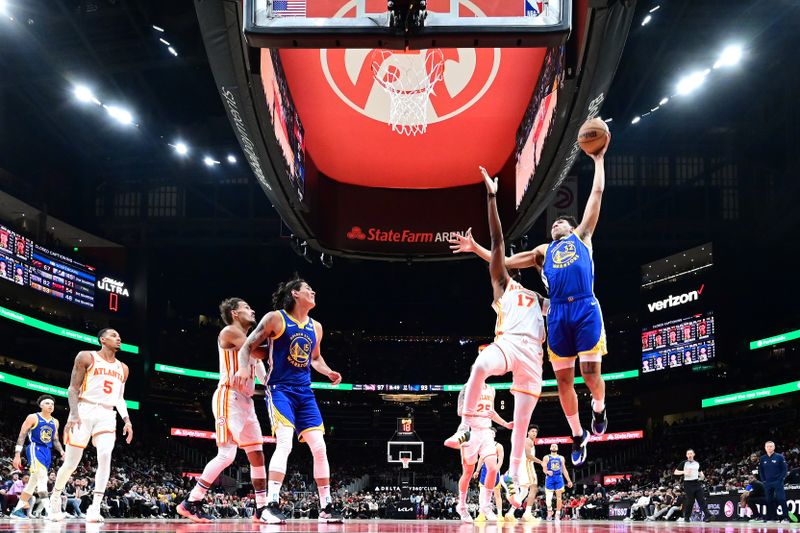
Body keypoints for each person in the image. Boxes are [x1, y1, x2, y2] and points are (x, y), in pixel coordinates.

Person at [450, 140, 610, 467]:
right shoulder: (541, 253)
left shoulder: (582, 236)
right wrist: (475, 247)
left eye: (560, 222)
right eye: (553, 224)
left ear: (570, 225)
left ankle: (598, 407)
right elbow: (504, 260)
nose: (556, 224)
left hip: (585, 307)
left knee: (590, 373)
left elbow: (595, 196)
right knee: (564, 380)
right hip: (559, 313)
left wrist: (598, 160)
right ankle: (578, 435)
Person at [445, 167, 547, 509]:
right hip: (508, 342)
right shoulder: (503, 285)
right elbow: (498, 244)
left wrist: (545, 267)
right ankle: (464, 425)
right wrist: (491, 197)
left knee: (520, 426)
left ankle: (516, 478)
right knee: (478, 368)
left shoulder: (542, 300)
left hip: (534, 356)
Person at [233, 276, 344, 524]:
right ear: (295, 294)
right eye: (308, 289)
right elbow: (248, 346)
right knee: (285, 443)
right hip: (280, 389)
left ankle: (326, 506)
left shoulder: (316, 327)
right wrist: (242, 369)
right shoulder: (276, 318)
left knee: (320, 447)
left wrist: (328, 372)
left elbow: (314, 358)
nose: (313, 291)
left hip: (305, 392)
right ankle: (269, 505)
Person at [177, 298, 271, 523]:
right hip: (228, 397)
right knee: (226, 454)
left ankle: (261, 509)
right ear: (234, 313)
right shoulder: (230, 332)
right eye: (247, 307)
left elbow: (262, 372)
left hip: (246, 401)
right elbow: (261, 352)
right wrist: (277, 334)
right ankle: (191, 502)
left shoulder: (248, 340)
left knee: (257, 455)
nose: (253, 309)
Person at [49, 328, 134, 523]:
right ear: (102, 340)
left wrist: (127, 420)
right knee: (71, 463)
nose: (118, 338)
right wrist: (73, 413)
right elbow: (73, 388)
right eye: (114, 335)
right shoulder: (86, 356)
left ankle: (95, 508)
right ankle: (55, 497)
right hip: (84, 410)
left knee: (105, 456)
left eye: (119, 335)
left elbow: (120, 398)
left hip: (106, 413)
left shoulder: (124, 368)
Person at [454, 380, 512, 523]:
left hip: (486, 432)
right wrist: (476, 412)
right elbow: (460, 411)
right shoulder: (467, 388)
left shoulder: (492, 389)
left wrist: (505, 423)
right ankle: (461, 506)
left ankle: (485, 505)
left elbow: (492, 413)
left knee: (492, 469)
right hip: (471, 432)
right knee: (468, 473)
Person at [10, 395, 64, 519]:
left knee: (32, 483)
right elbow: (22, 435)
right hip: (35, 448)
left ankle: (16, 511)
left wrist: (62, 451)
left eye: (52, 404)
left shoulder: (55, 421)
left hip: (47, 451)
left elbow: (55, 439)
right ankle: (50, 512)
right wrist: (17, 455)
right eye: (47, 403)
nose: (51, 405)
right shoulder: (33, 417)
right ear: (41, 405)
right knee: (42, 478)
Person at [510, 424, 544, 522]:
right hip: (527, 466)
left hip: (522, 466)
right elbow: (528, 455)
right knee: (534, 488)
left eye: (536, 432)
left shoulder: (527, 441)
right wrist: (541, 462)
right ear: (528, 432)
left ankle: (510, 513)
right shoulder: (528, 441)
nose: (534, 433)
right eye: (532, 431)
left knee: (524, 492)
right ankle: (527, 514)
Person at [473, 430, 505, 523]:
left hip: (494, 470)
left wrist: (496, 470)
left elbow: (501, 460)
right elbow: (480, 459)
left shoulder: (498, 446)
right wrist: (477, 471)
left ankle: (499, 515)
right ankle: (481, 515)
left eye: (491, 433)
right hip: (484, 471)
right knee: (482, 494)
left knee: (497, 494)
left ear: (494, 434)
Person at [674, 448, 711, 522]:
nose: (689, 455)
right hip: (688, 484)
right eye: (688, 454)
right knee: (690, 501)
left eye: (691, 453)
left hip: (697, 483)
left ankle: (708, 516)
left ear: (694, 454)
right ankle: (686, 517)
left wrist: (702, 477)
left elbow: (700, 472)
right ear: (686, 455)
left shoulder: (697, 463)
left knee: (701, 500)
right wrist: (684, 472)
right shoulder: (684, 463)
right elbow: (675, 472)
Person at [759, 441, 788, 522]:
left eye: (771, 446)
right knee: (769, 500)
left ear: (774, 447)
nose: (769, 448)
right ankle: (773, 517)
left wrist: (780, 479)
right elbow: (760, 470)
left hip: (777, 482)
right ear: (765, 448)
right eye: (767, 446)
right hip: (767, 483)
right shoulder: (762, 458)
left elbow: (785, 469)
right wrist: (763, 480)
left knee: (781, 499)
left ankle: (785, 517)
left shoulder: (779, 457)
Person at [543, 444, 572, 520]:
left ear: (557, 448)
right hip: (550, 478)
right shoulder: (546, 457)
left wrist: (569, 480)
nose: (554, 447)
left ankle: (557, 514)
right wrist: (547, 472)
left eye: (555, 446)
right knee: (548, 498)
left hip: (559, 478)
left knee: (559, 498)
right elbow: (544, 468)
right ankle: (550, 511)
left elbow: (564, 470)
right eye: (552, 446)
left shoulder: (561, 458)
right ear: (550, 448)